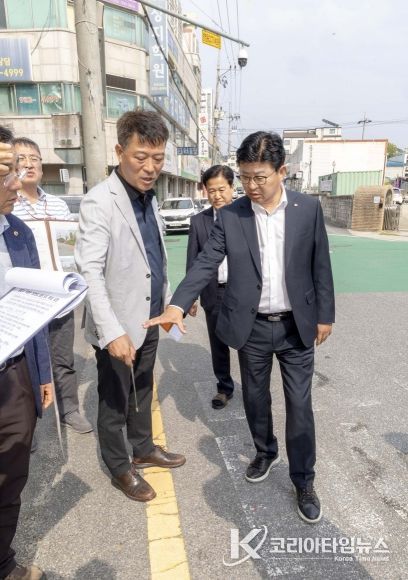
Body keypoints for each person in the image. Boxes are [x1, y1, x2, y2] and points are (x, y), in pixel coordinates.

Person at [144, 131, 335, 524]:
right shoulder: (232, 215)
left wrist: (324, 315)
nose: (251, 186)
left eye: (259, 177)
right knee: (255, 398)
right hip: (253, 327)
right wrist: (177, 303)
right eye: (245, 177)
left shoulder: (307, 209)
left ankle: (304, 480)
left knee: (300, 405)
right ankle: (265, 451)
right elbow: (205, 261)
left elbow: (320, 264)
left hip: (296, 326)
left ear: (282, 171)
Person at [75, 110, 185, 503]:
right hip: (117, 326)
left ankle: (143, 447)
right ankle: (120, 466)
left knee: (144, 385)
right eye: (141, 157)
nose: (150, 167)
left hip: (149, 317)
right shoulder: (99, 202)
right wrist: (112, 333)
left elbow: (154, 258)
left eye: (158, 158)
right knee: (114, 399)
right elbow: (89, 271)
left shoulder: (149, 199)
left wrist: (169, 304)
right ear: (120, 151)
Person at [0, 126, 53, 580]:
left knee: (11, 476)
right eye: (4, 173)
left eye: (15, 170)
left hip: (14, 374)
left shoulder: (18, 232)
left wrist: (41, 375)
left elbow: (33, 310)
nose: (16, 183)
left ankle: (3, 563)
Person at [12, 138, 92, 435]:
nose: (29, 164)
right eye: (22, 158)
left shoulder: (57, 204)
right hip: (25, 300)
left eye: (34, 158)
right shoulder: (7, 203)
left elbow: (71, 245)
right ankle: (26, 423)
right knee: (24, 364)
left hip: (60, 297)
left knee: (63, 358)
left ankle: (69, 408)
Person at [186, 165, 235, 409]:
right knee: (218, 343)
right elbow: (193, 260)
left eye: (221, 189)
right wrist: (190, 297)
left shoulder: (247, 217)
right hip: (213, 292)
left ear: (232, 188)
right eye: (211, 190)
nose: (217, 195)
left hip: (241, 292)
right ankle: (224, 388)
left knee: (249, 343)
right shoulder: (199, 222)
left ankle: (254, 388)